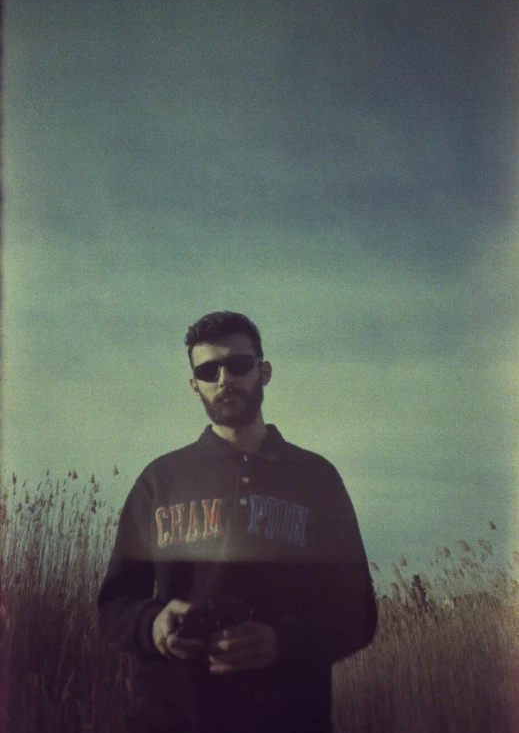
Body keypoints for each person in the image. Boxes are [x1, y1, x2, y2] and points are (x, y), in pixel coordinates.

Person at [98, 311, 377, 733]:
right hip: (171, 717)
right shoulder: (159, 481)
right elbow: (115, 606)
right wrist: (154, 624)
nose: (224, 378)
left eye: (239, 364)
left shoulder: (316, 478)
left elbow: (358, 613)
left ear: (263, 371)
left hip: (289, 717)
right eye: (209, 370)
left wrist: (281, 643)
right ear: (195, 385)